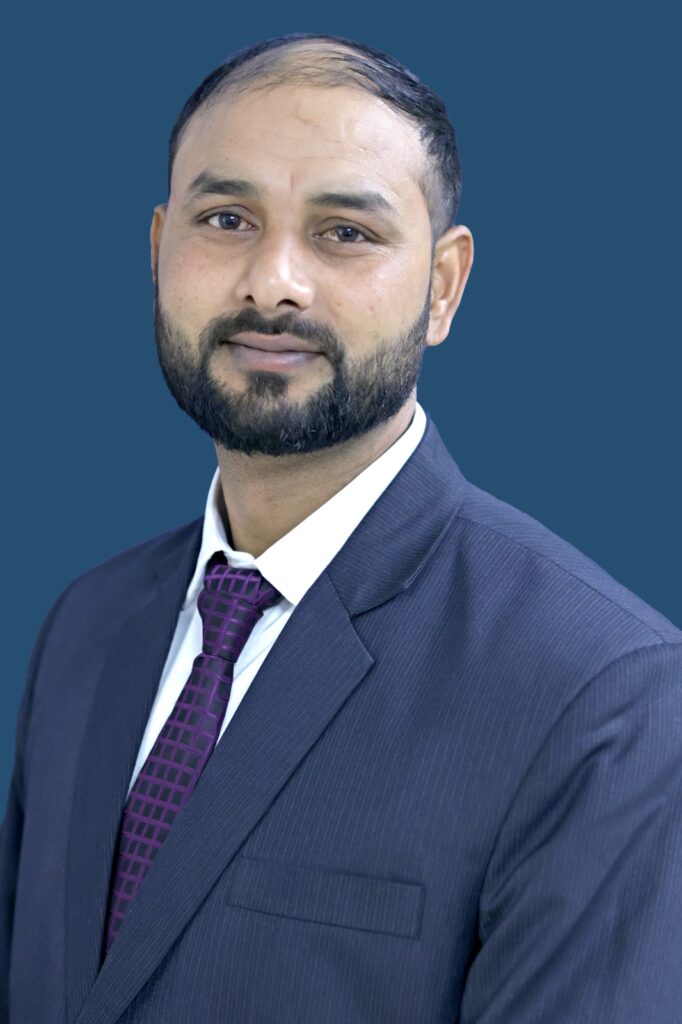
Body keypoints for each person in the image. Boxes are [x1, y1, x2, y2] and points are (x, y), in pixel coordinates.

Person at [1, 30, 681, 1024]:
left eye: (344, 232)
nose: (273, 281)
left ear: (443, 287)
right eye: (226, 218)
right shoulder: (86, 626)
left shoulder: (602, 692)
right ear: (156, 251)